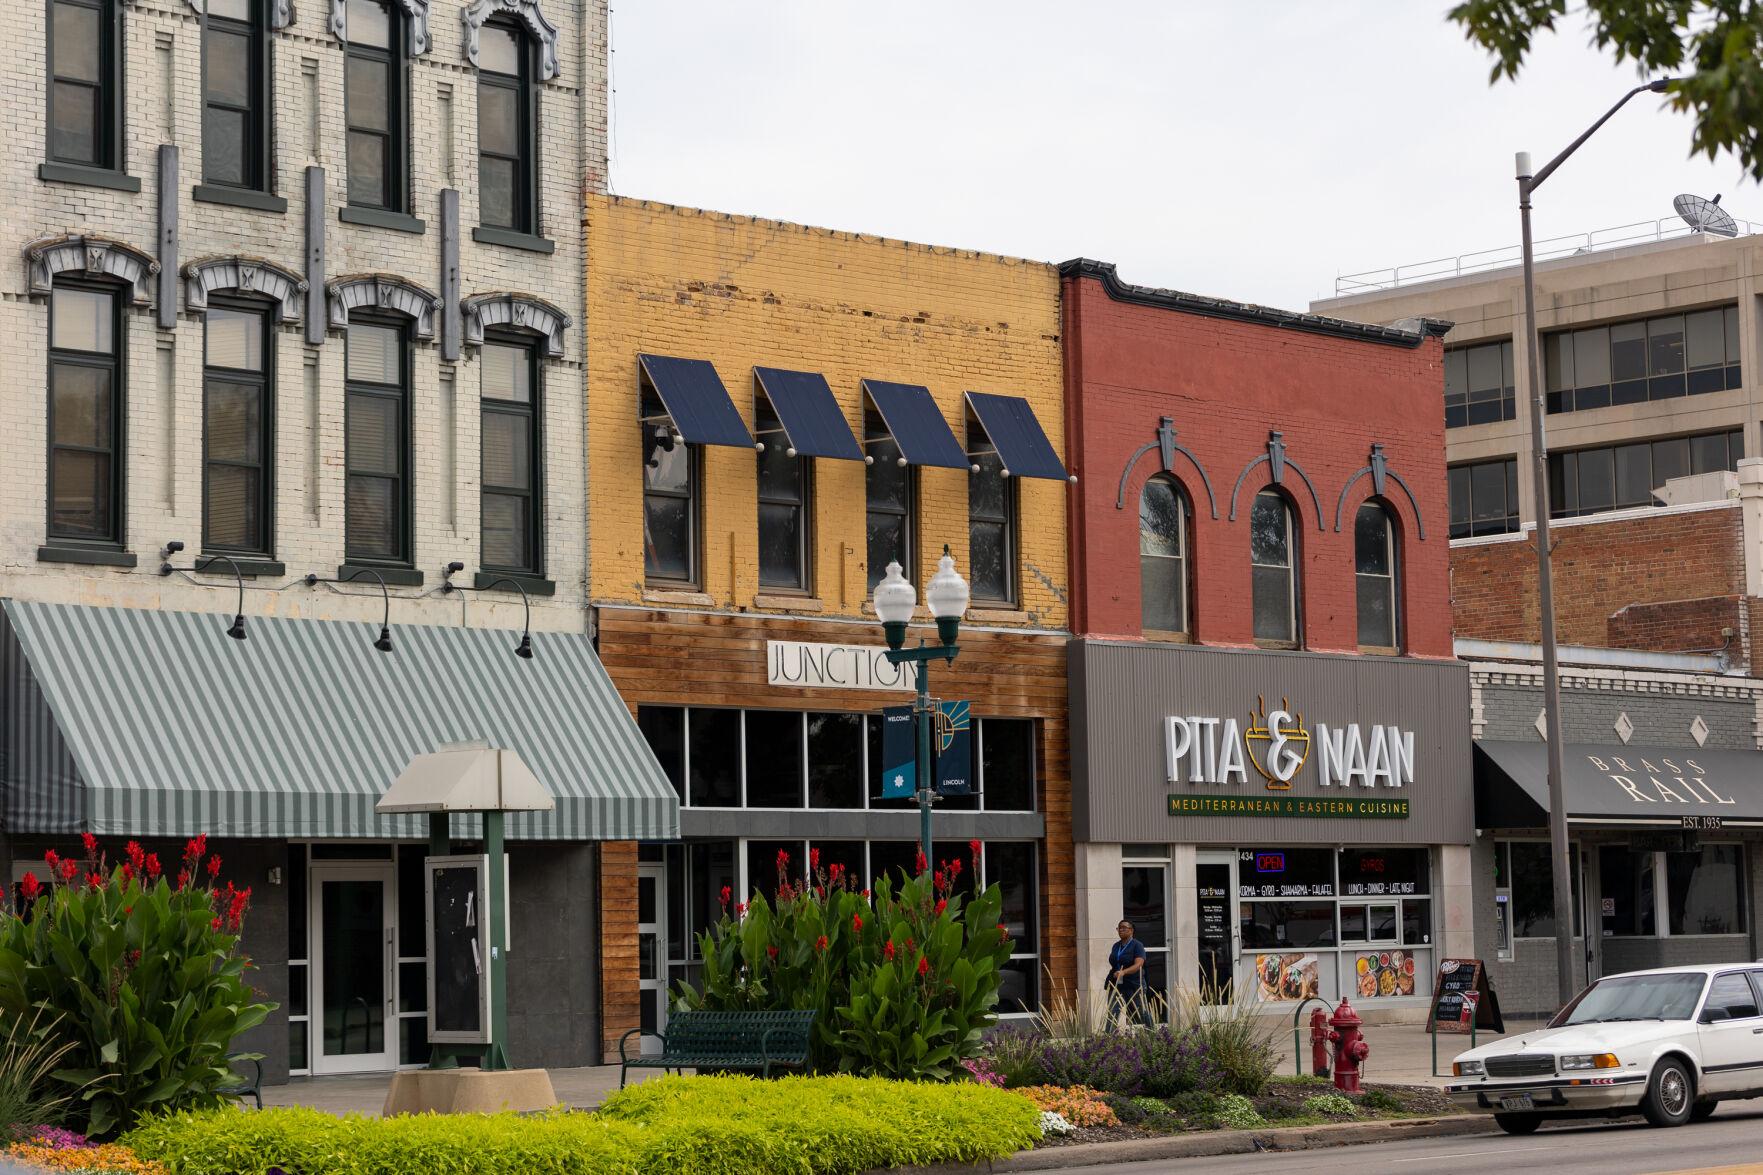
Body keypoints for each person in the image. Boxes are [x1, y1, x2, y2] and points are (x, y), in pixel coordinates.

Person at [1106, 919, 1154, 1029]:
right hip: (1117, 984)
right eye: (1119, 928)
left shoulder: (1137, 945)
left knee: (1142, 1011)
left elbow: (1139, 964)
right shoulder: (1116, 946)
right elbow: (1115, 962)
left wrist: (1123, 972)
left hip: (1134, 984)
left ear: (1131, 930)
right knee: (1112, 1012)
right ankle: (1107, 1040)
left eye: (1124, 928)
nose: (1121, 930)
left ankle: (1153, 1034)